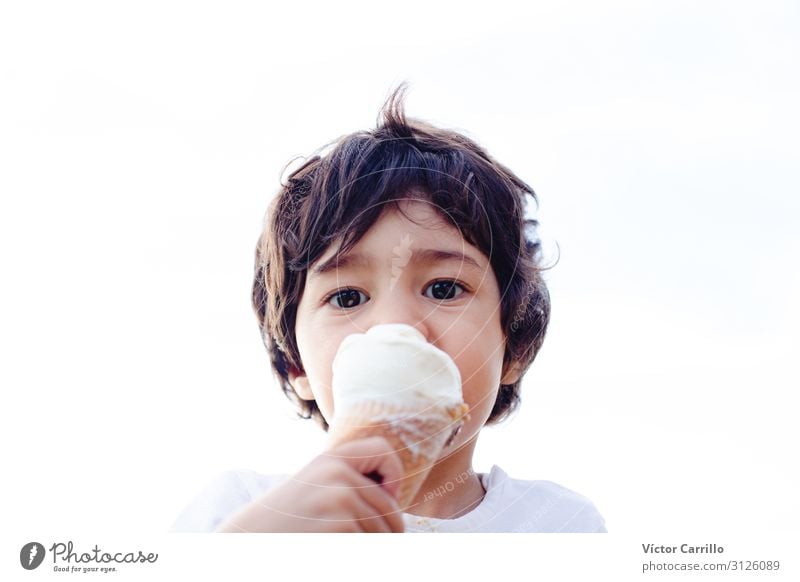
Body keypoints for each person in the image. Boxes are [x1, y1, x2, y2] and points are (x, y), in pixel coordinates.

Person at [171, 84, 606, 533]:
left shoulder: (557, 525)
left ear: (513, 347)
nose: (398, 328)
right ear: (297, 365)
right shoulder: (240, 511)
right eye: (347, 297)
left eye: (443, 289)